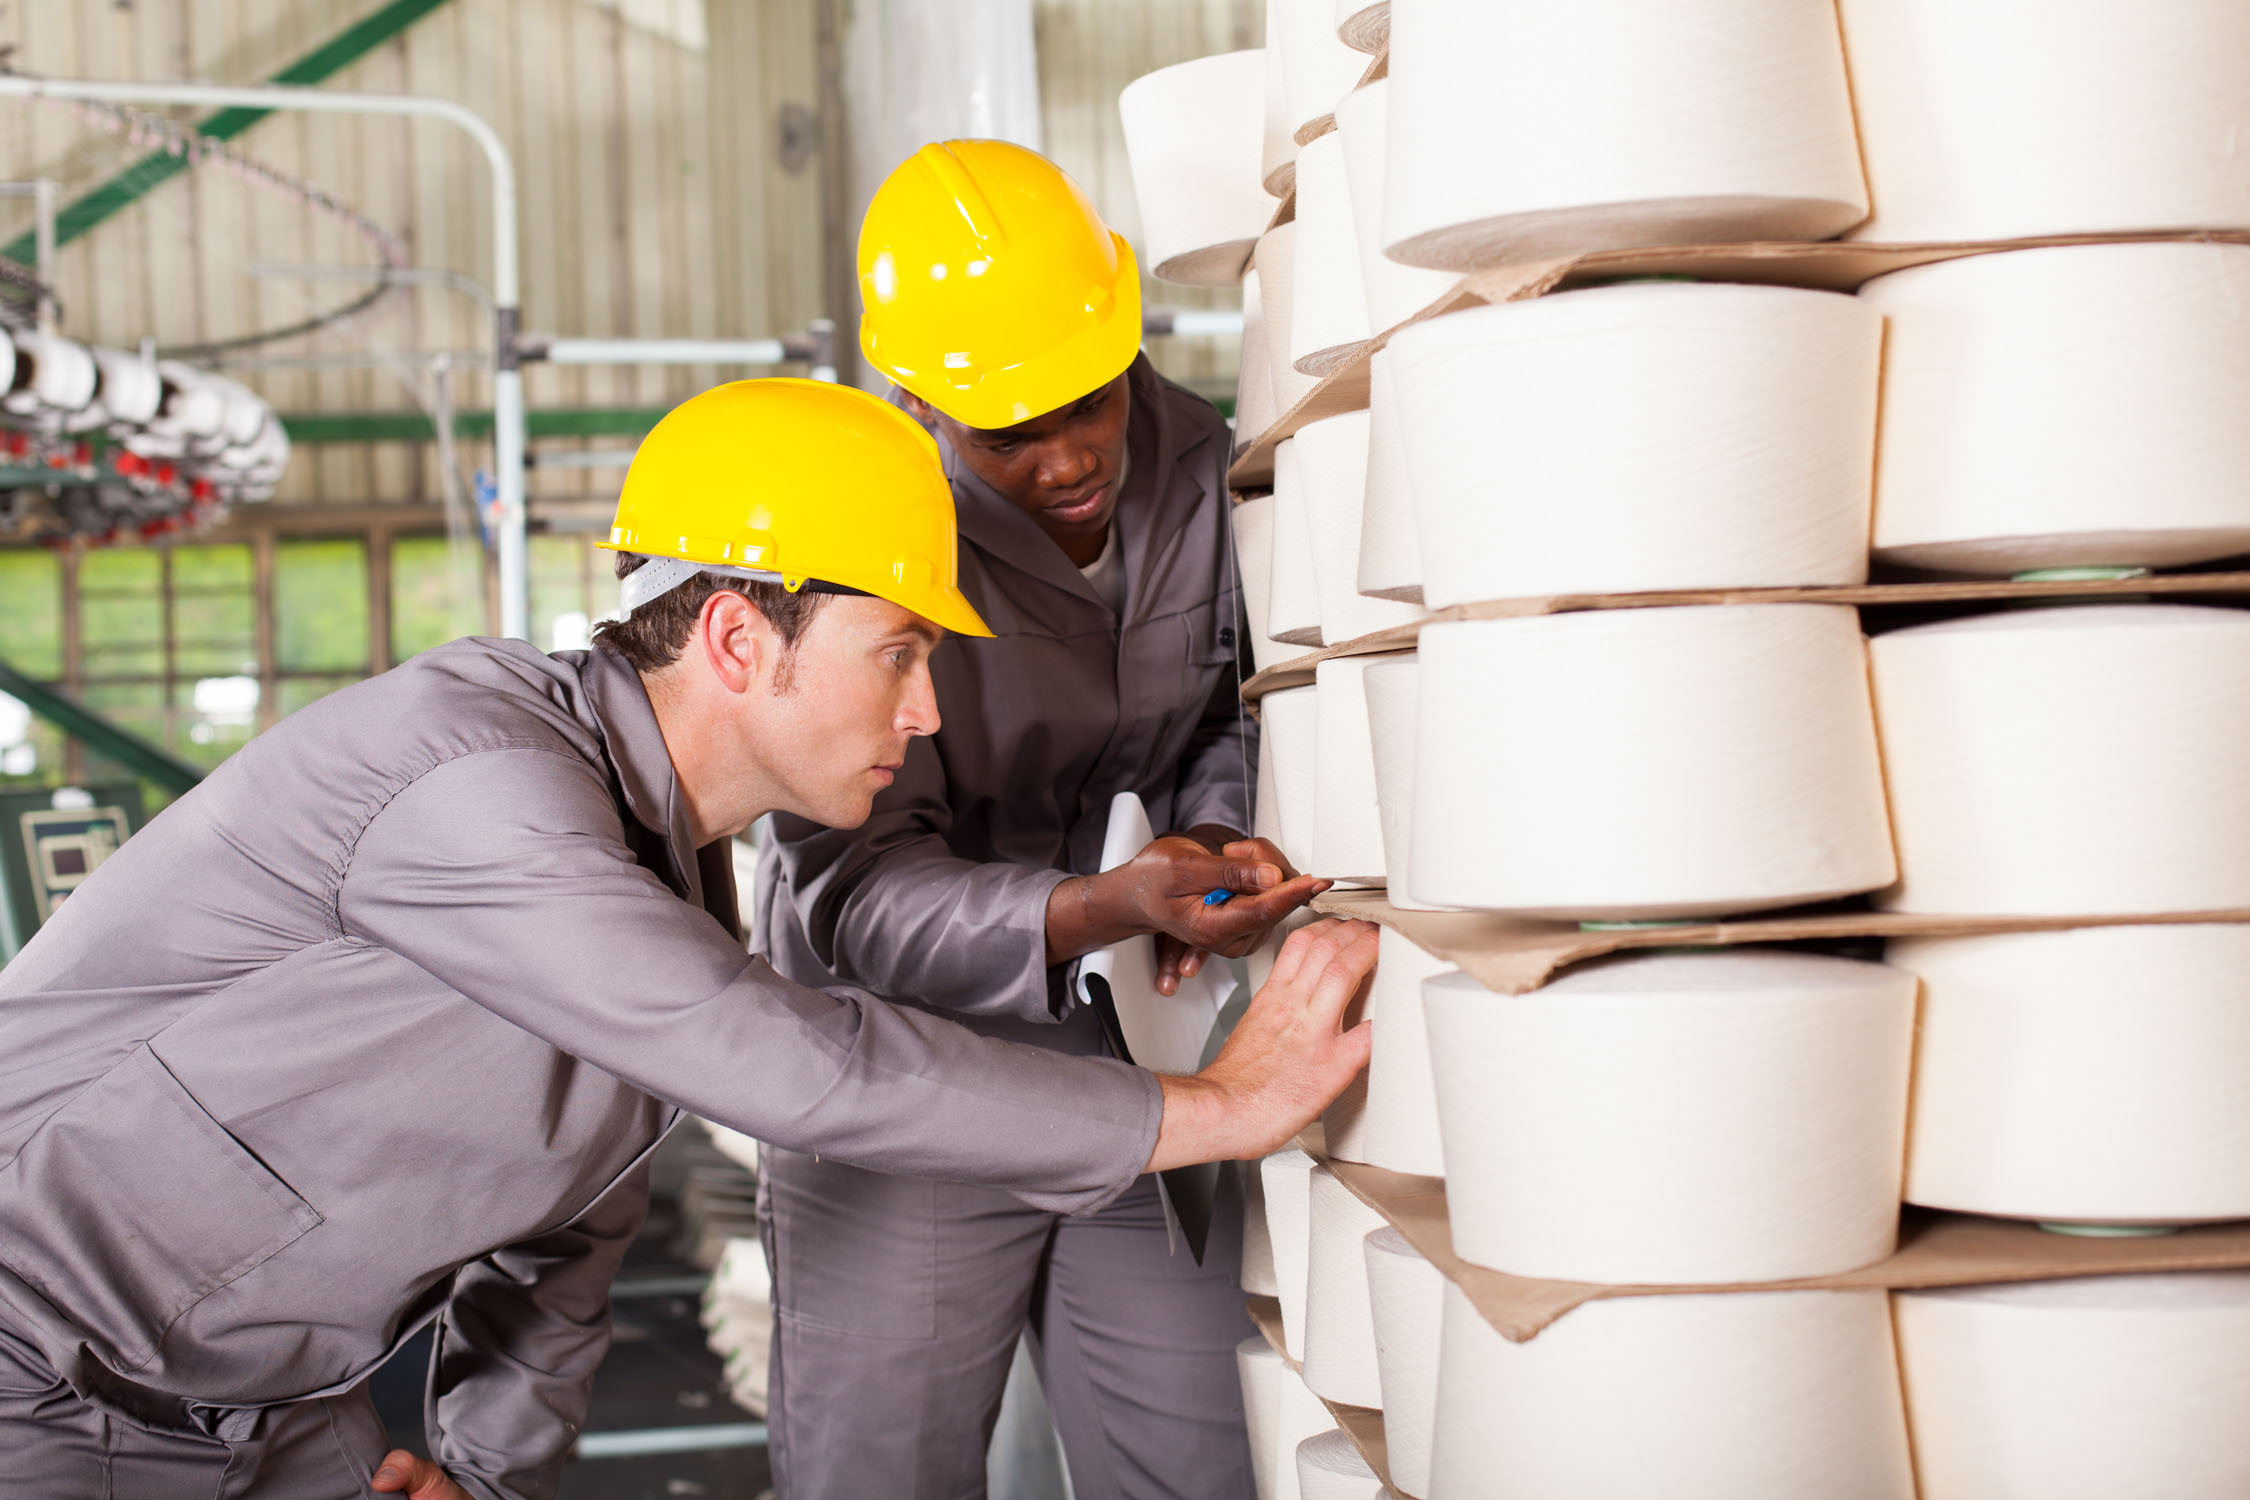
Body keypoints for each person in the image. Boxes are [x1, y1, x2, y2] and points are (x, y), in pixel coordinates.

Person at [0, 377, 1376, 1500]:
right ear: (734, 638)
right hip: (33, 1385)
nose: (928, 715)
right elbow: (794, 1063)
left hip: (268, 1414)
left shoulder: (663, 870)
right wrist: (1209, 1107)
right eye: (898, 654)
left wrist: (485, 1472)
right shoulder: (474, 778)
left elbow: (564, 1234)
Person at [755, 141, 1311, 1500]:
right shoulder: (852, 546)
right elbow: (855, 895)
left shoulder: (1204, 464)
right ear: (915, 397)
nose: (1068, 459)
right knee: (878, 1474)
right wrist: (1098, 906)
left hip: (1130, 1057)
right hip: (902, 1084)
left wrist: (1211, 841)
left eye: (1086, 400)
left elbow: (1234, 705)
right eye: (1009, 431)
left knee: (1199, 1459)